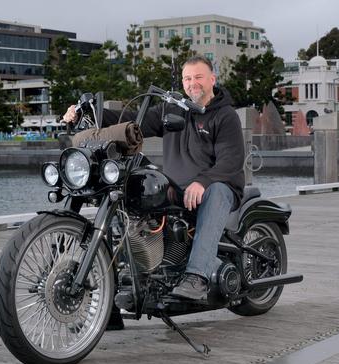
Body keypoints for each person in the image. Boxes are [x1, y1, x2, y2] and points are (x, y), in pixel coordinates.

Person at [63, 55, 245, 302]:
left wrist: (203, 182)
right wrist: (86, 113)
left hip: (218, 186)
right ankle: (118, 291)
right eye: (187, 78)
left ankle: (197, 277)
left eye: (198, 77)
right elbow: (130, 121)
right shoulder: (171, 110)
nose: (193, 83)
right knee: (130, 190)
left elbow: (230, 161)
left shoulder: (225, 116)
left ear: (212, 79)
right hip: (177, 187)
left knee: (216, 191)